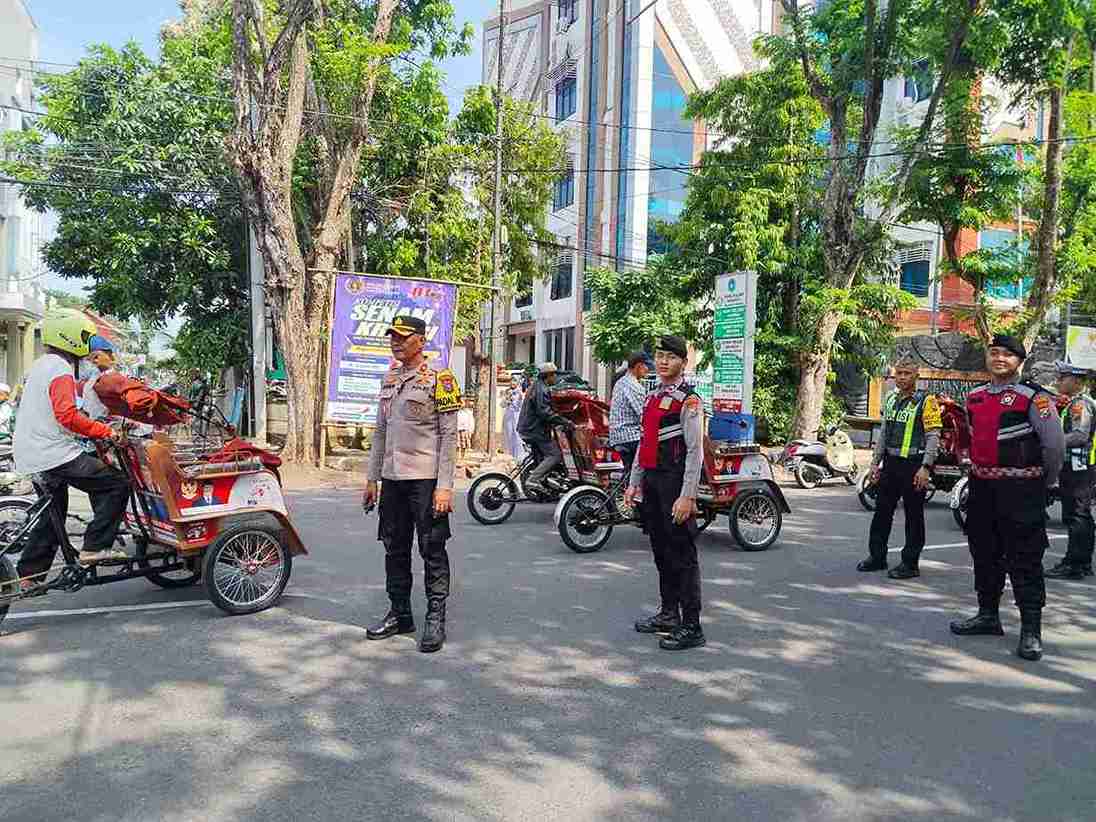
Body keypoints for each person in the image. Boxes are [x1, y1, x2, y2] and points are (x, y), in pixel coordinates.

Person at [950, 334, 1064, 661]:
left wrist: (1046, 483)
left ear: (1020, 361)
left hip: (1022, 490)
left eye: (1007, 355)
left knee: (1025, 559)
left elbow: (1054, 446)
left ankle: (1031, 630)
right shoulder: (975, 397)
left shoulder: (1035, 398)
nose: (999, 358)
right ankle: (988, 615)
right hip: (982, 489)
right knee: (984, 554)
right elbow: (971, 438)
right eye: (994, 352)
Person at [363, 315, 461, 653]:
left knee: (432, 549)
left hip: (426, 480)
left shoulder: (440, 379)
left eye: (403, 337)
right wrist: (372, 478)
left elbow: (449, 436)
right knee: (394, 548)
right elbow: (380, 431)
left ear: (421, 340)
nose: (396, 342)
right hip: (393, 480)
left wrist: (445, 486)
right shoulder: (390, 378)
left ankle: (435, 618)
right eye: (393, 337)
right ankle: (400, 613)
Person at [15, 309, 129, 591]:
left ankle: (27, 577)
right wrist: (105, 431)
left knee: (52, 515)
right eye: (84, 337)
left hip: (32, 452)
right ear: (70, 337)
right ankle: (96, 546)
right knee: (117, 483)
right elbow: (67, 415)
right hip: (53, 452)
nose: (87, 345)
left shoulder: (42, 365)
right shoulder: (61, 369)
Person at [623, 335, 706, 651]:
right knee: (661, 551)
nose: (663, 361)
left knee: (683, 555)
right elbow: (645, 442)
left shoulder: (689, 400)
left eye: (670, 357)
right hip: (652, 483)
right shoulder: (652, 397)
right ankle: (669, 614)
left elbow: (695, 451)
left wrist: (688, 495)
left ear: (683, 362)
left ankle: (692, 625)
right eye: (659, 356)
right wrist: (634, 483)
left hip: (675, 483)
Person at [858, 354, 942, 579]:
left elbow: (933, 436)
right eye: (899, 374)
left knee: (914, 516)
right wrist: (874, 464)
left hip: (914, 465)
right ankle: (877, 557)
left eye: (907, 374)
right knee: (882, 512)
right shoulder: (891, 399)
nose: (902, 378)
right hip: (891, 464)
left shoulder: (927, 401)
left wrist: (926, 467)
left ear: (916, 376)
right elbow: (884, 433)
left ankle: (910, 563)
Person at [1046, 361, 1096, 580]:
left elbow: (1079, 435)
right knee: (1080, 514)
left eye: (1062, 378)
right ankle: (1082, 562)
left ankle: (1074, 564)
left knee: (1076, 515)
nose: (1058, 382)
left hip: (1078, 466)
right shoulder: (1078, 402)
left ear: (1076, 381)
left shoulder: (1080, 404)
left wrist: (1053, 442)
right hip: (1079, 466)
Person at [516, 361, 575, 496]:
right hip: (534, 430)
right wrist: (565, 422)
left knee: (543, 456)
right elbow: (545, 412)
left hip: (528, 428)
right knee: (555, 455)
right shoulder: (542, 390)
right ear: (548, 376)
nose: (555, 378)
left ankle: (542, 480)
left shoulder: (536, 386)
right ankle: (534, 479)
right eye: (554, 375)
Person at [609, 351, 653, 475]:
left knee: (629, 472)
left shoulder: (620, 382)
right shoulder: (634, 387)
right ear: (638, 366)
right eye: (646, 367)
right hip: (630, 437)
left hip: (617, 436)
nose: (648, 370)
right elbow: (644, 415)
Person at [502, 382, 526, 461]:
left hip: (517, 416)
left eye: (514, 382)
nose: (512, 383)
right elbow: (502, 404)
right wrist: (507, 399)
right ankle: (510, 455)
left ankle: (519, 456)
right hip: (508, 416)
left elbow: (521, 406)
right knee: (509, 434)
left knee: (517, 435)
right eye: (511, 382)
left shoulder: (520, 393)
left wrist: (518, 398)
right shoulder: (507, 392)